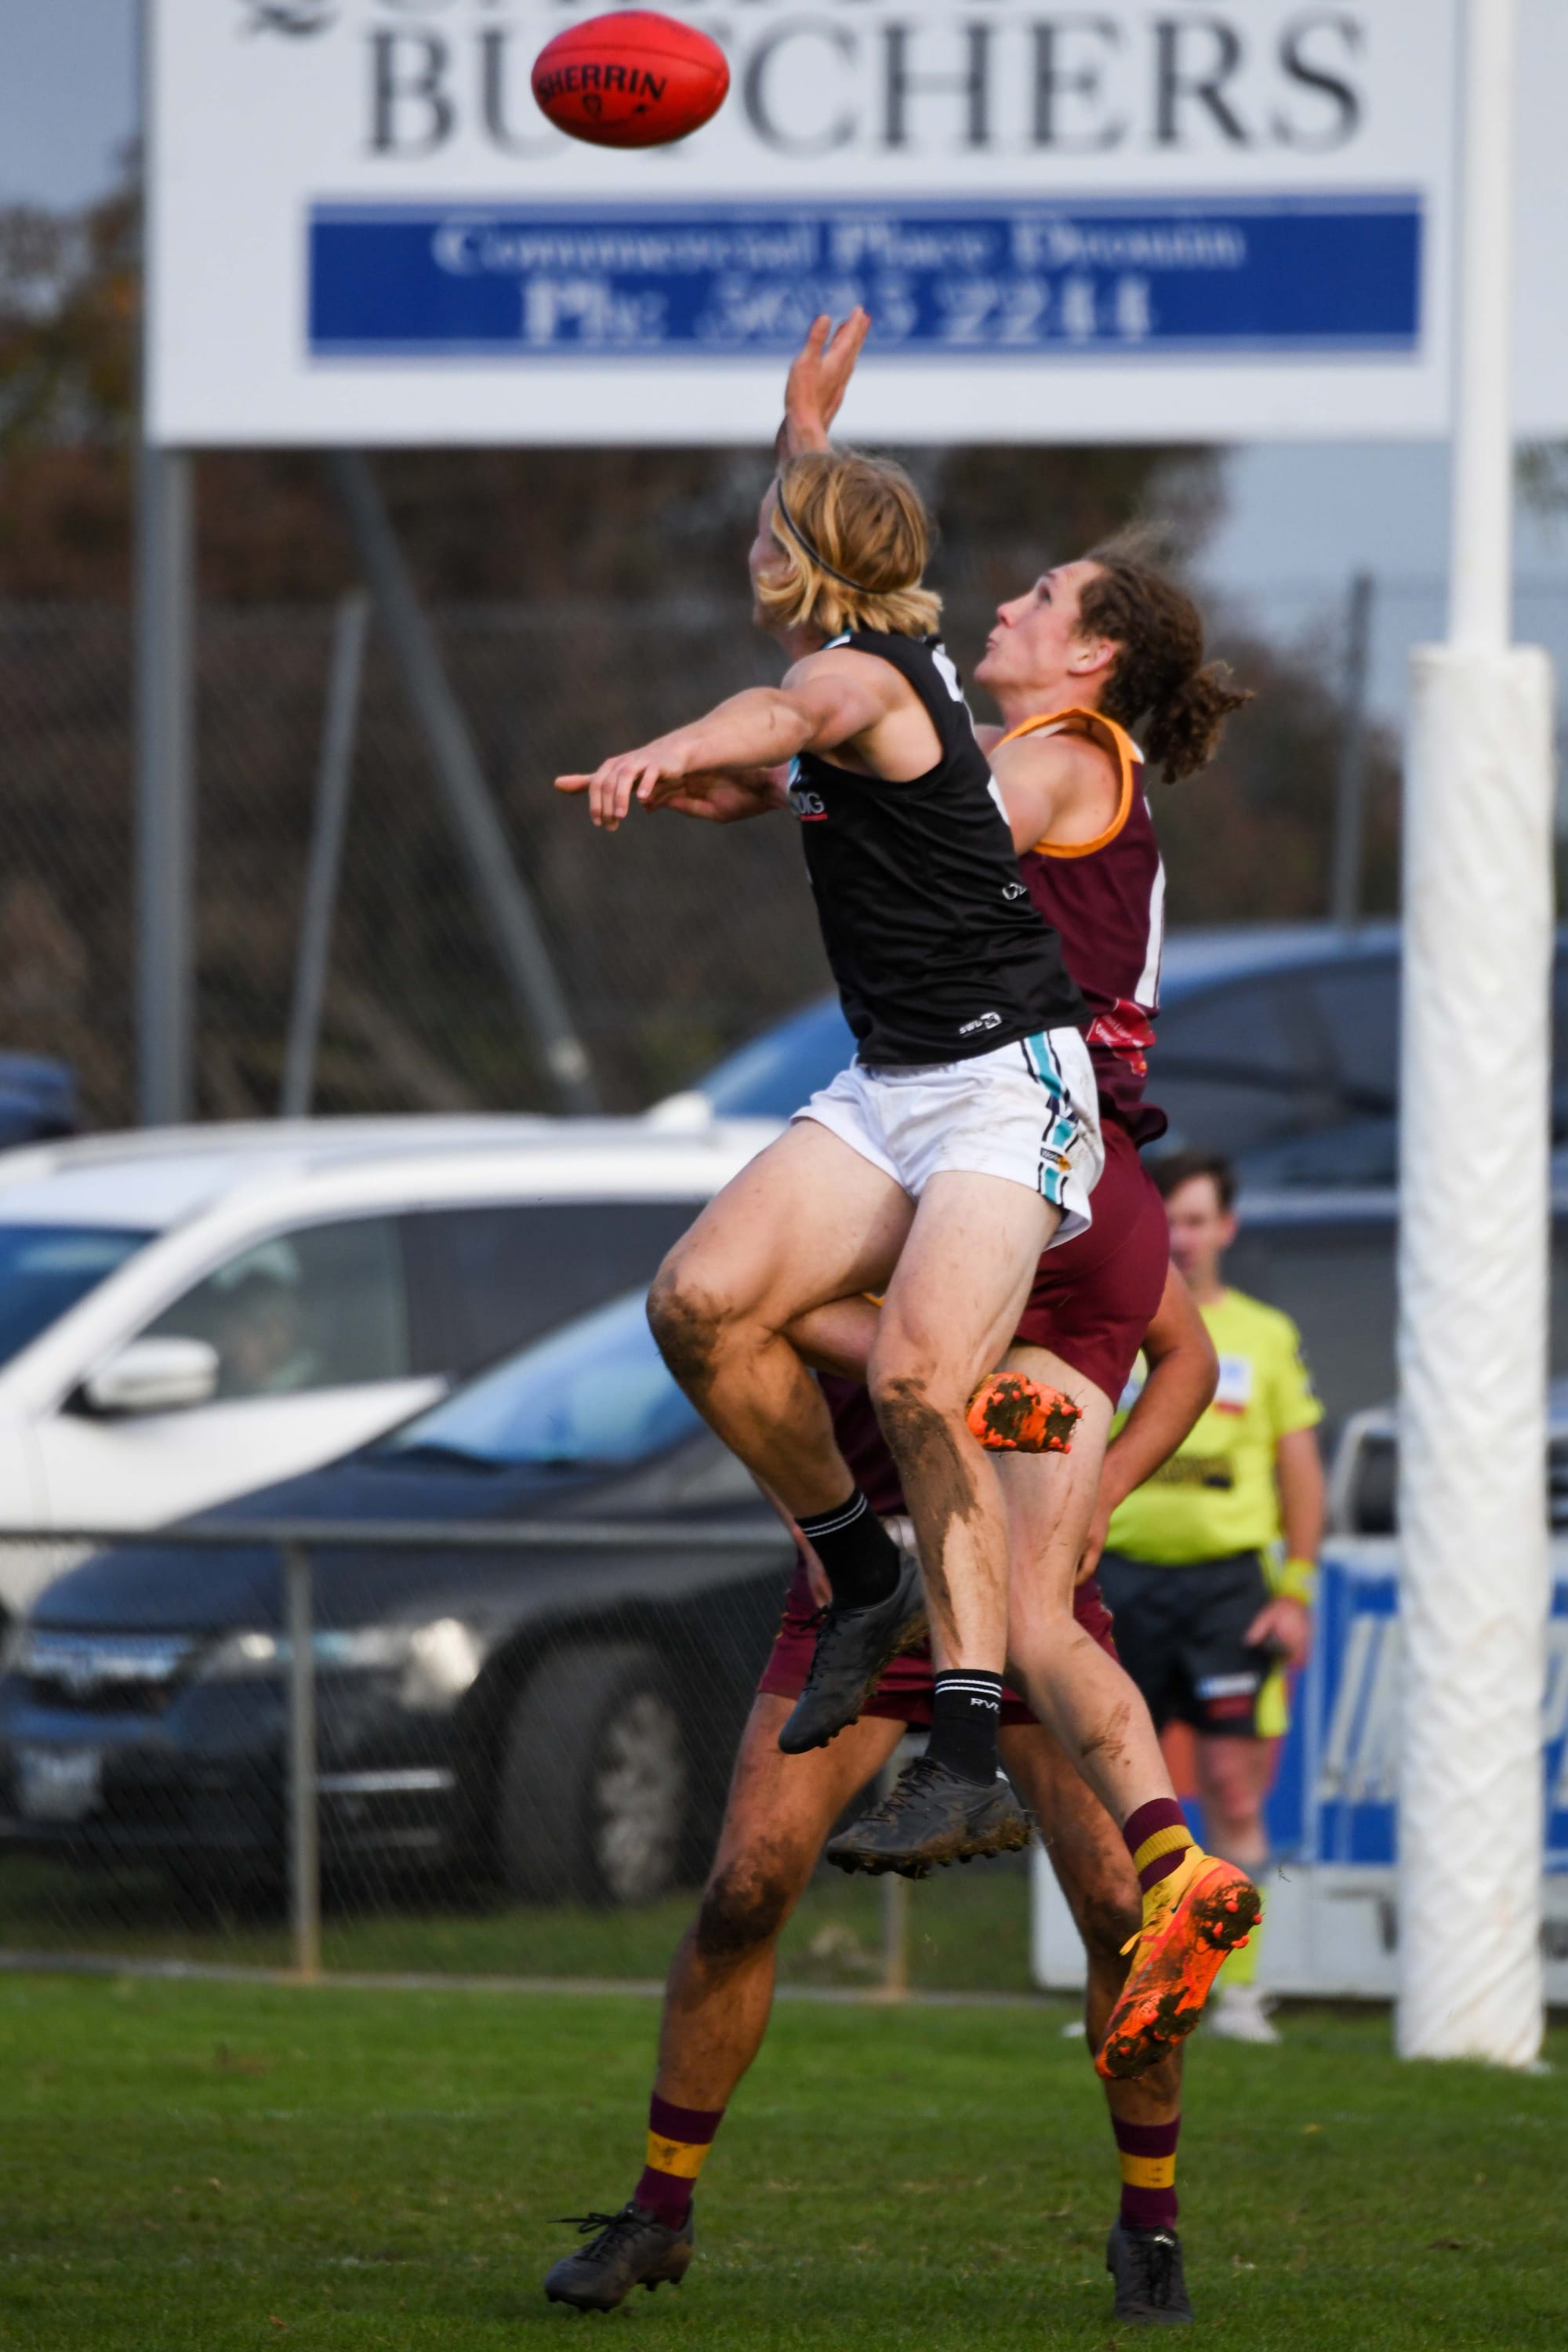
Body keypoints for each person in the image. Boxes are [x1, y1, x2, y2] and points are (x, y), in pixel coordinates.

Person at [561, 316, 1260, 2082]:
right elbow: (822, 711)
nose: (1010, 604)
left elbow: (812, 704)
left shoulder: (1041, 747)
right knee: (715, 1310)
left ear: (1095, 652)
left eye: (1048, 595)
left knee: (931, 1423)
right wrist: (802, 430)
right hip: (914, 1092)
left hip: (1031, 1112)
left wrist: (705, 747)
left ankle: (992, 1749)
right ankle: (893, 1593)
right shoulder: (921, 699)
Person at [544, 1261, 1218, 2328]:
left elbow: (1189, 1352)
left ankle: (1152, 2226)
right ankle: (658, 2209)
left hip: (1028, 1601)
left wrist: (1111, 1484)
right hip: (878, 1592)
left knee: (1124, 1913)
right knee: (744, 1891)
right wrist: (818, 1525)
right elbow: (732, 1338)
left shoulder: (1064, 1181)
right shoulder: (863, 1190)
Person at [1097, 1149, 1326, 2046]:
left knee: (1233, 1785)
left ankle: (1232, 1993)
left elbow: (1297, 1469)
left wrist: (1295, 1590)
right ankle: (1119, 1980)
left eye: (1197, 1220)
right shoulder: (1109, 1327)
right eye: (1169, 1220)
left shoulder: (1263, 1335)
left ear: (1224, 1228)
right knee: (1117, 1794)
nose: (1183, 1238)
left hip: (1229, 1588)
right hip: (1118, 1583)